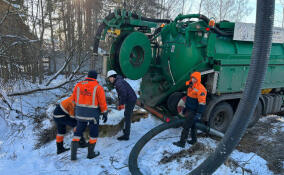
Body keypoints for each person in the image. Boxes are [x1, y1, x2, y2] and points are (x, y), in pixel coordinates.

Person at [70, 70, 108, 160]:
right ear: (95, 77)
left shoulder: (78, 85)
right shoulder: (98, 87)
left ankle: (73, 155)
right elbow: (102, 103)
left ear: (87, 76)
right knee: (93, 132)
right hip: (92, 115)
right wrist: (105, 113)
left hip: (79, 114)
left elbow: (73, 100)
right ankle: (90, 154)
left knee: (78, 131)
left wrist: (76, 110)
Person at [173, 72, 207, 148]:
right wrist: (186, 107)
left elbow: (202, 103)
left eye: (195, 78)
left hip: (194, 111)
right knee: (193, 126)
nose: (193, 79)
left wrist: (199, 113)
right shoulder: (191, 86)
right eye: (192, 78)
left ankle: (182, 143)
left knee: (186, 126)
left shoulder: (201, 89)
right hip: (189, 108)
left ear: (198, 79)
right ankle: (194, 141)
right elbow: (188, 97)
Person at [107, 70, 137, 141]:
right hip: (130, 99)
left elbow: (124, 94)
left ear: (113, 77)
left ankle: (126, 135)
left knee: (127, 116)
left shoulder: (118, 83)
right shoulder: (118, 81)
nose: (109, 79)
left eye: (110, 78)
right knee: (126, 114)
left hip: (130, 100)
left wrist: (121, 104)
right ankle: (126, 129)